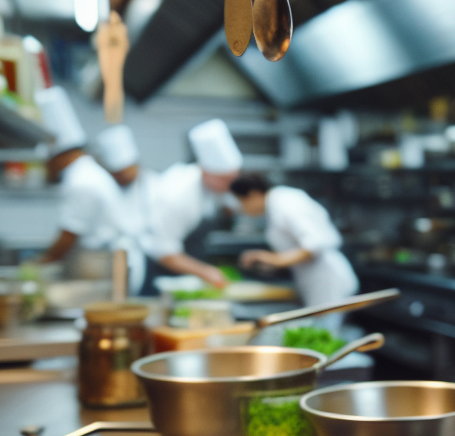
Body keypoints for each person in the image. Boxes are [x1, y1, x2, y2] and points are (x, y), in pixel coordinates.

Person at [34, 87, 136, 289]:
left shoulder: (81, 181)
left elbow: (67, 237)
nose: (47, 169)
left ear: (57, 156)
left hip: (103, 265)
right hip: (104, 263)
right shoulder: (87, 172)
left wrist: (37, 266)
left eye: (46, 162)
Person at [234, 174, 360, 329]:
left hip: (327, 281)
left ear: (253, 194)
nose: (242, 208)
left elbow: (313, 244)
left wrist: (271, 259)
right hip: (315, 280)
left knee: (324, 332)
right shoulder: (276, 204)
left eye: (241, 202)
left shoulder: (285, 203)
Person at [142, 118, 242, 288]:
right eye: (225, 180)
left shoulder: (217, 187)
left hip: (188, 267)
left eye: (234, 179)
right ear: (205, 171)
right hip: (161, 273)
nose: (231, 187)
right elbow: (164, 252)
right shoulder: (178, 195)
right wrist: (207, 272)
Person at [87, 123, 147, 295]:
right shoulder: (102, 187)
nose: (126, 176)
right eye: (120, 173)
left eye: (129, 170)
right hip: (107, 261)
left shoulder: (153, 185)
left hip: (143, 260)